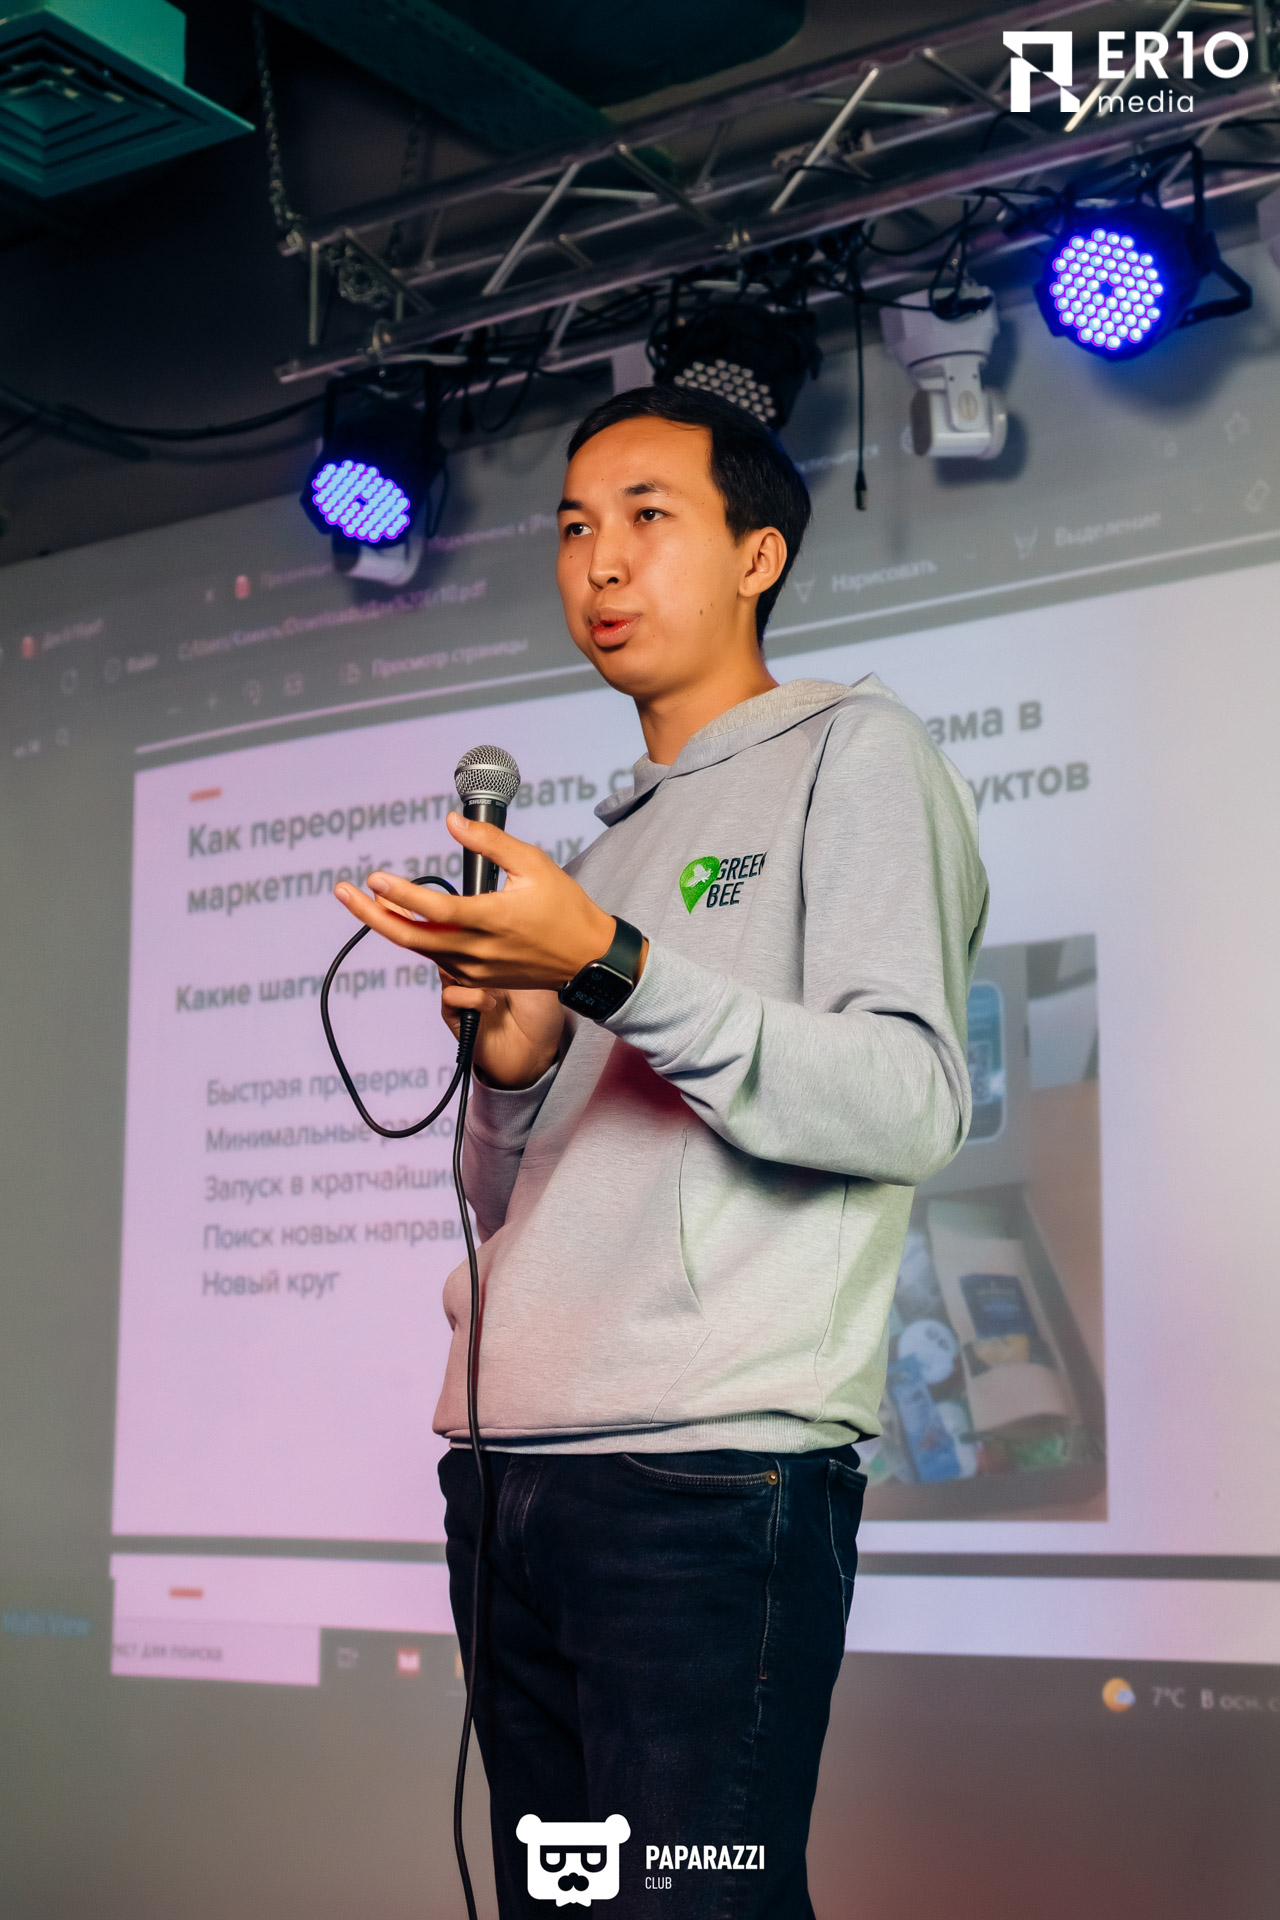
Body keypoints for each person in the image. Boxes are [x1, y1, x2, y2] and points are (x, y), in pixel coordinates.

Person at [334, 384, 988, 1917]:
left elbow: (909, 1099)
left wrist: (610, 964)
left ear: (759, 554)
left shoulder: (855, 750)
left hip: (704, 1473)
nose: (601, 563)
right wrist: (509, 1078)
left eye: (647, 517)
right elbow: (513, 1198)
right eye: (573, 528)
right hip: (510, 1474)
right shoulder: (597, 851)